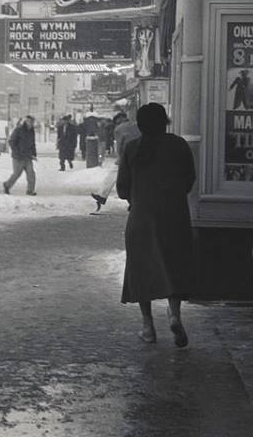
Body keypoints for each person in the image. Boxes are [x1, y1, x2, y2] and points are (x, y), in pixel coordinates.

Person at [117, 103, 196, 348]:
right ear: (165, 122)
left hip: (141, 218)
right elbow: (189, 179)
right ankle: (174, 315)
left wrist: (138, 197)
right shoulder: (179, 145)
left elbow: (122, 189)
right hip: (175, 218)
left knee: (142, 270)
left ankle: (148, 327)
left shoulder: (133, 148)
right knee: (175, 266)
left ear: (140, 125)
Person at [91, 112, 142, 211]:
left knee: (114, 174)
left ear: (119, 120)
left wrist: (120, 158)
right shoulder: (137, 125)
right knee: (134, 180)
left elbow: (119, 146)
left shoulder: (119, 129)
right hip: (141, 155)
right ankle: (134, 202)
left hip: (126, 155)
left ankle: (102, 196)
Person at [3, 115, 37, 195]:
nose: (31, 123)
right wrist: (16, 151)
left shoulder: (32, 131)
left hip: (28, 157)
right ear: (26, 122)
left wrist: (34, 153)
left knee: (31, 174)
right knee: (17, 174)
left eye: (32, 122)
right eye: (29, 121)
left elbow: (33, 143)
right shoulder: (19, 130)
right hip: (18, 157)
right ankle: (7, 185)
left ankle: (30, 190)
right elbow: (11, 141)